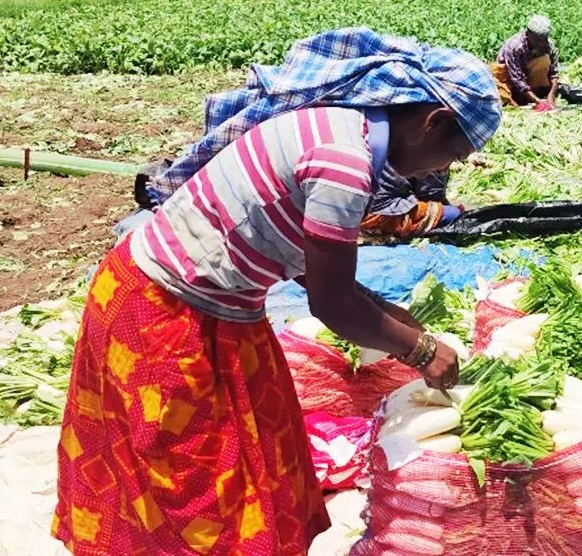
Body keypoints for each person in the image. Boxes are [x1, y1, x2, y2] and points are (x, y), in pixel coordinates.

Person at [52, 28, 501, 556]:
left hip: (213, 309)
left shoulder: (342, 127)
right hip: (164, 313)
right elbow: (330, 303)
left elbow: (312, 265)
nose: (443, 170)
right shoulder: (343, 165)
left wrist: (383, 310)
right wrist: (419, 350)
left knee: (268, 462)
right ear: (434, 121)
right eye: (453, 155)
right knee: (201, 492)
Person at [360, 165, 462, 238]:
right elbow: (431, 194)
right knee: (454, 213)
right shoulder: (432, 150)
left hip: (356, 206)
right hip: (377, 214)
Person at [492, 14, 560, 109]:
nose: (541, 43)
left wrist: (551, 94)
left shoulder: (548, 45)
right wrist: (537, 100)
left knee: (543, 60)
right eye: (537, 40)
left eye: (544, 39)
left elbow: (554, 73)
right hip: (509, 77)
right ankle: (525, 97)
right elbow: (517, 79)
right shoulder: (514, 46)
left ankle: (538, 92)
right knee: (503, 98)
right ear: (528, 34)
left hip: (530, 77)